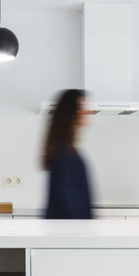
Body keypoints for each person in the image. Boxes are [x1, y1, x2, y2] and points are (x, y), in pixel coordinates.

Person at [42, 89, 94, 219]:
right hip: (69, 233)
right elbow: (66, 200)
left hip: (68, 232)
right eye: (82, 107)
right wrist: (84, 231)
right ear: (71, 112)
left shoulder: (64, 150)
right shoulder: (65, 153)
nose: (87, 112)